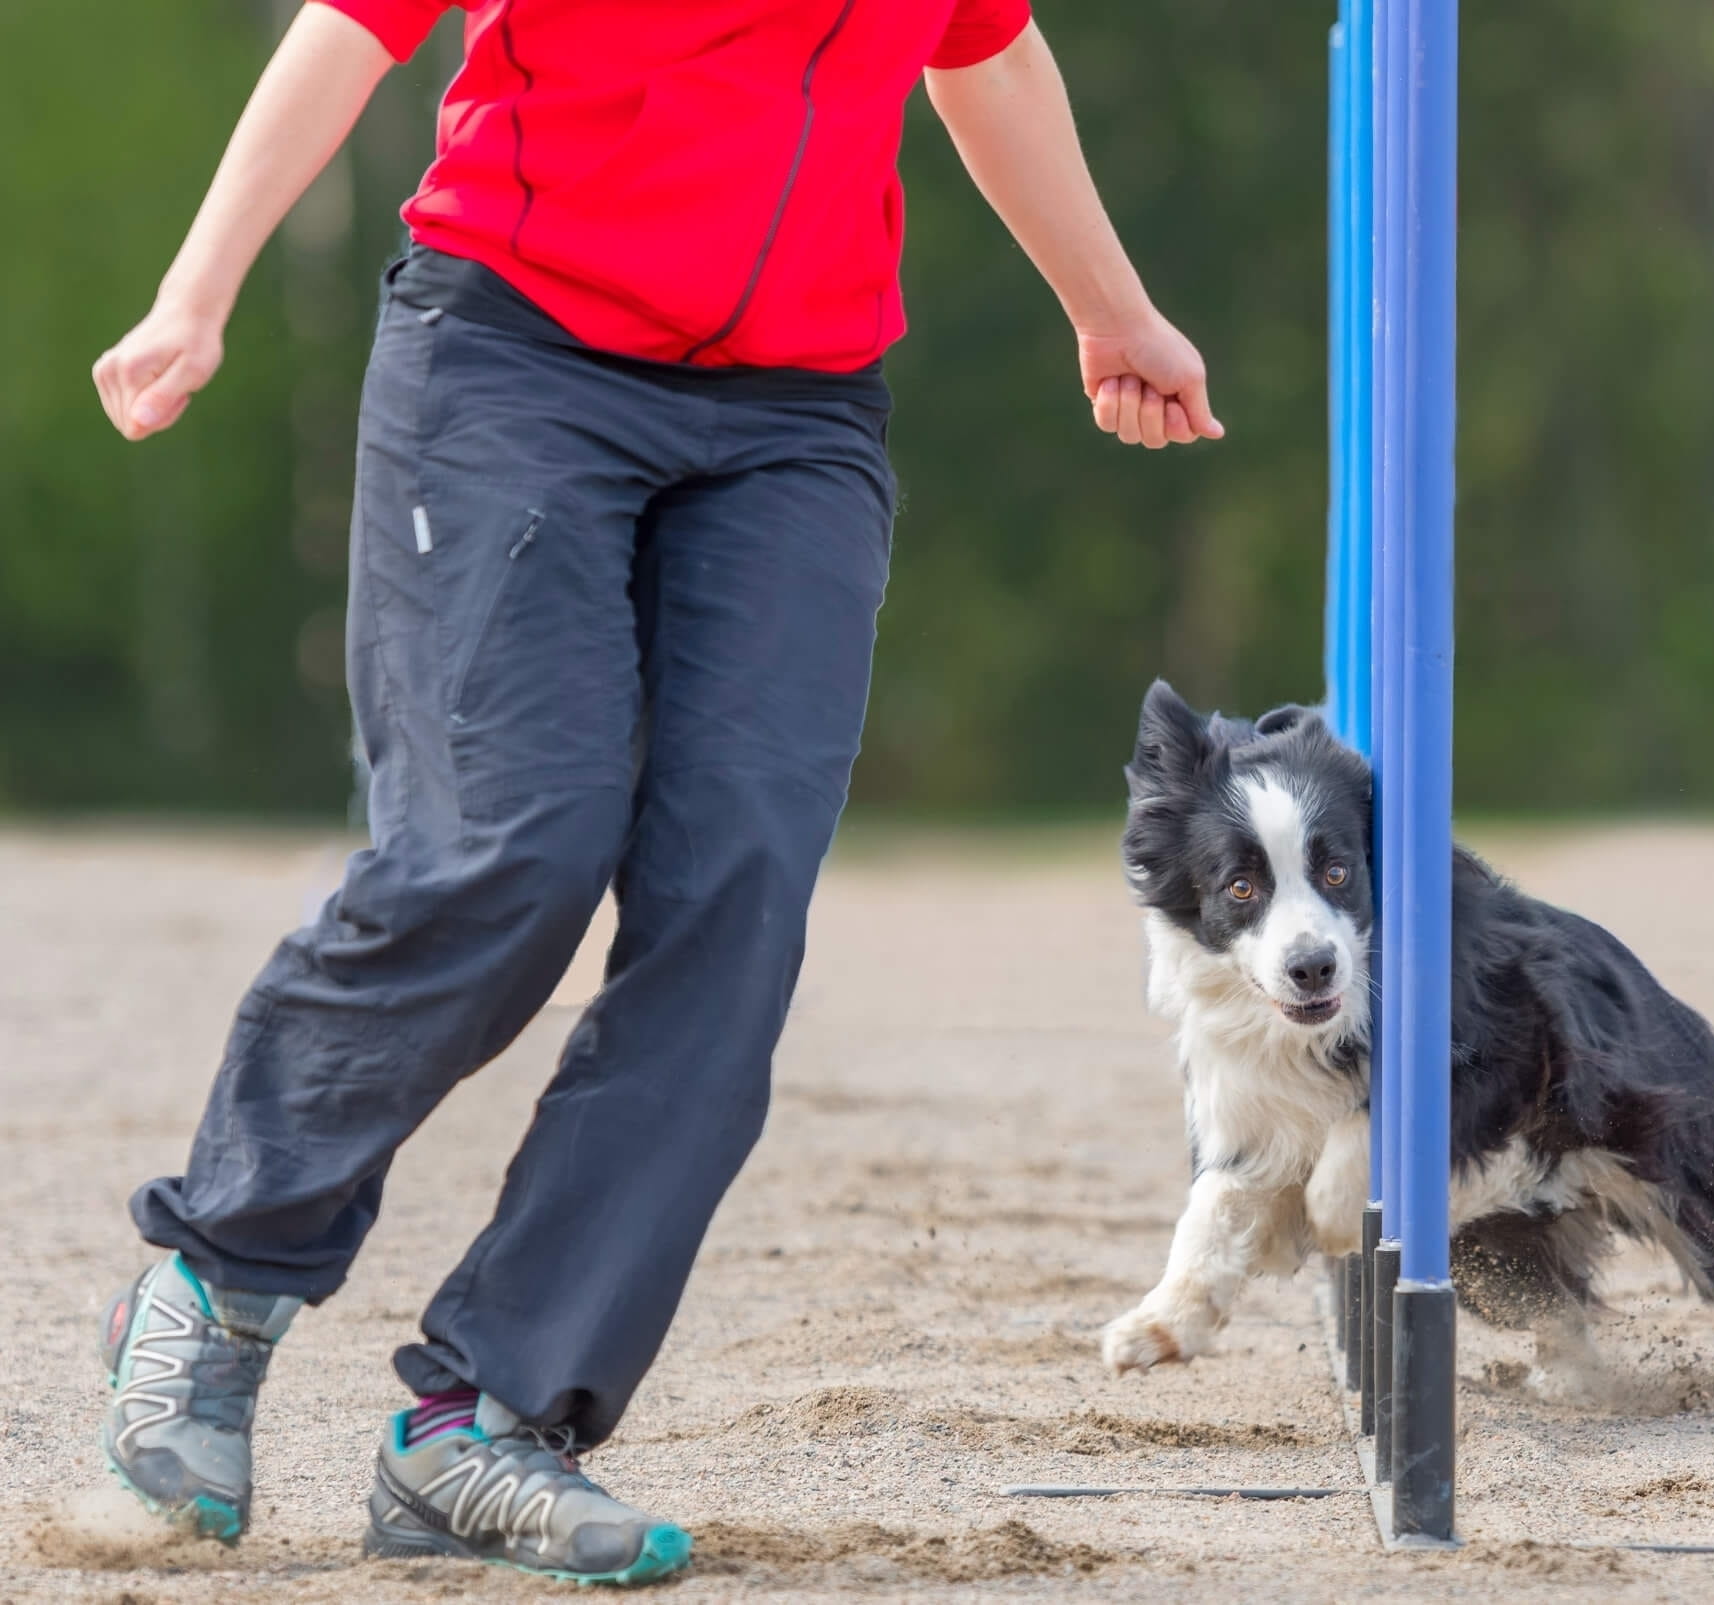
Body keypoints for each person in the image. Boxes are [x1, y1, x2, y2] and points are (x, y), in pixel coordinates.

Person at [90, 0, 1221, 1585]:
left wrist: (1111, 309)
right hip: (513, 360)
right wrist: (192, 296)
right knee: (511, 848)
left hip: (797, 421)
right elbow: (351, 26)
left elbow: (985, 49)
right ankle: (221, 1274)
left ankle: (483, 1423)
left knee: (737, 899)